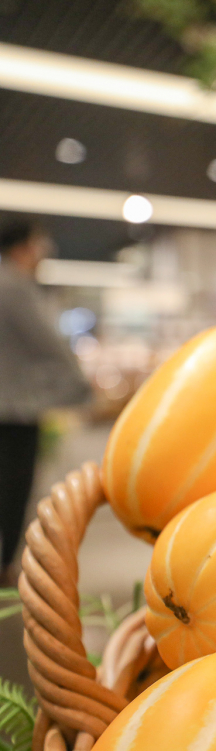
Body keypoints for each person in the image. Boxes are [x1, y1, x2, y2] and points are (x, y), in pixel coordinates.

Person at [0, 217, 92, 583]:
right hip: (15, 412)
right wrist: (79, 387)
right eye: (39, 246)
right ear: (23, 247)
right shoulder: (15, 286)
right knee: (12, 489)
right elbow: (51, 345)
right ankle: (4, 568)